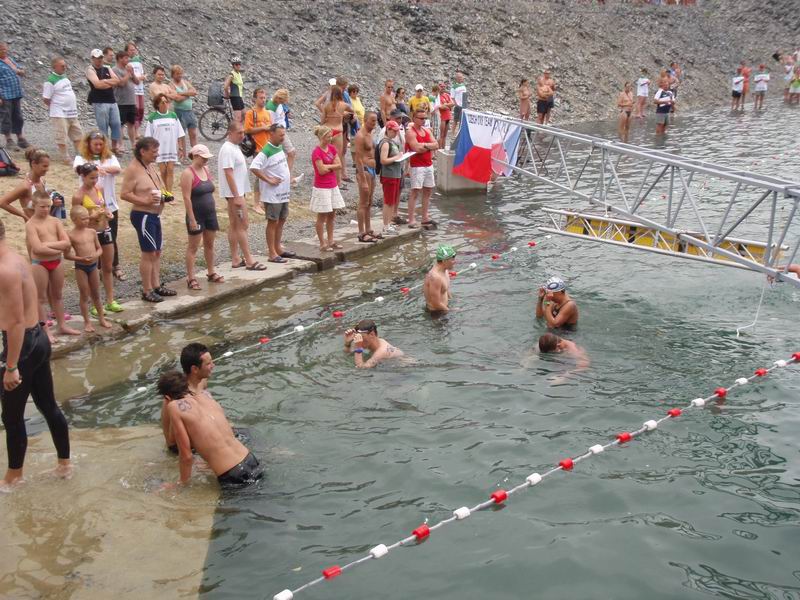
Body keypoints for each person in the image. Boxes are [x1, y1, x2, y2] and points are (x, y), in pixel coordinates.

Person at [0, 218, 72, 491]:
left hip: (22, 345)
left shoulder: (4, 270)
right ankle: (65, 465)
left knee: (11, 417)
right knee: (48, 405)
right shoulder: (17, 259)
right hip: (38, 338)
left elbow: (16, 322)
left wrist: (11, 366)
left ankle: (13, 477)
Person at [158, 370, 263, 488]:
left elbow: (186, 456)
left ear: (167, 397)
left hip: (232, 473)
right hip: (250, 459)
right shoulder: (205, 396)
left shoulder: (174, 407)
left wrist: (182, 483)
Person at [120, 136, 177, 303]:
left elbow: (156, 187)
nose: (157, 154)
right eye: (154, 152)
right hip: (143, 215)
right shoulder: (133, 169)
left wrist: (166, 196)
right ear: (142, 151)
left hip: (155, 215)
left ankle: (156, 285)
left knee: (157, 251)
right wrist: (144, 201)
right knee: (148, 253)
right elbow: (124, 194)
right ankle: (146, 290)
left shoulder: (149, 166)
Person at [25, 192, 80, 339]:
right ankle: (45, 331)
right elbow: (37, 249)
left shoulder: (55, 221)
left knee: (57, 295)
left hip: (57, 261)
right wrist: (58, 248)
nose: (46, 209)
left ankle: (62, 325)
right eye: (42, 207)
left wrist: (47, 245)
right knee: (40, 298)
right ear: (34, 206)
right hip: (40, 263)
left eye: (48, 206)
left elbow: (67, 242)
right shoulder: (30, 224)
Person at [74, 131, 125, 287]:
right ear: (88, 144)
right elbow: (78, 168)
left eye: (101, 144)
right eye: (95, 144)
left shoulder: (109, 157)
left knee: (111, 236)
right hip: (89, 205)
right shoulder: (81, 157)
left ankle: (114, 265)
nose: (98, 147)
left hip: (109, 203)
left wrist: (103, 169)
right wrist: (96, 168)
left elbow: (118, 169)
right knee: (92, 237)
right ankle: (96, 267)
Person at [72, 163, 119, 315]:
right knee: (94, 269)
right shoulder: (78, 196)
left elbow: (104, 206)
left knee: (108, 267)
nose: (94, 181)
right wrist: (91, 216)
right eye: (91, 178)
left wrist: (108, 213)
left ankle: (110, 300)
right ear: (83, 176)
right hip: (90, 233)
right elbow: (76, 218)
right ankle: (95, 303)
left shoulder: (99, 189)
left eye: (96, 177)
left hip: (105, 230)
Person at [218, 122, 265, 271]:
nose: (242, 135)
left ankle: (236, 258)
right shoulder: (227, 149)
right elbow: (228, 172)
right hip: (235, 194)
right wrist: (237, 195)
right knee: (242, 225)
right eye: (239, 133)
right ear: (230, 133)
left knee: (234, 225)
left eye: (243, 132)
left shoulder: (234, 147)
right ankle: (249, 259)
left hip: (236, 193)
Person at [180, 144, 223, 290]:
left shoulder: (206, 169)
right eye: (204, 158)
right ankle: (191, 277)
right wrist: (192, 219)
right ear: (196, 156)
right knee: (193, 247)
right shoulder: (188, 173)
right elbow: (186, 198)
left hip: (210, 213)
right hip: (196, 214)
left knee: (209, 244)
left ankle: (211, 272)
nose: (206, 160)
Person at [250, 124, 294, 263]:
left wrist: (289, 178)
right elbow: (254, 167)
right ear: (272, 134)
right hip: (272, 195)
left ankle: (278, 248)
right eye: (281, 135)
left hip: (283, 192)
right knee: (273, 222)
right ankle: (272, 253)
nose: (283, 138)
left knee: (282, 219)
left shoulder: (279, 147)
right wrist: (268, 180)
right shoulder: (266, 150)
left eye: (284, 134)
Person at [65, 206, 111, 332]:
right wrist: (80, 259)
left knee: (96, 293)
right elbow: (67, 255)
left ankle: (101, 318)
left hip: (93, 266)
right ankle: (87, 322)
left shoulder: (91, 232)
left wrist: (95, 255)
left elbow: (99, 249)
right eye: (83, 219)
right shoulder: (70, 235)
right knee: (84, 295)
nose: (86, 221)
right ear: (74, 219)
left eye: (87, 218)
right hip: (81, 267)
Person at [0, 148, 61, 222]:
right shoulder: (25, 186)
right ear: (33, 164)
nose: (47, 169)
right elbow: (2, 203)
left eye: (48, 166)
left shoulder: (43, 182)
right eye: (44, 166)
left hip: (47, 225)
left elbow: (43, 205)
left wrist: (53, 203)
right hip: (34, 226)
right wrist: (23, 216)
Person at [310, 125, 345, 252]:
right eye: (328, 137)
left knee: (332, 215)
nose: (330, 139)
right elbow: (321, 170)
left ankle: (331, 240)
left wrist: (328, 166)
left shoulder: (332, 148)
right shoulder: (317, 152)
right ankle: (322, 243)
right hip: (322, 187)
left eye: (331, 136)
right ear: (321, 137)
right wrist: (331, 166)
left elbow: (339, 165)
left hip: (332, 184)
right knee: (322, 216)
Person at [42, 55, 82, 163]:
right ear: (55, 67)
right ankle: (65, 157)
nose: (65, 67)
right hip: (59, 113)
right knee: (61, 135)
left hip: (71, 112)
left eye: (65, 65)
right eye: (62, 66)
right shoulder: (50, 81)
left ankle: (80, 154)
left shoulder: (65, 77)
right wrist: (56, 106)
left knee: (77, 134)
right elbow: (46, 98)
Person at [144, 93, 185, 194]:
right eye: (162, 102)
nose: (165, 104)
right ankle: (165, 190)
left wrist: (180, 147)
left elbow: (179, 133)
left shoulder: (173, 116)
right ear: (157, 104)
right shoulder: (152, 118)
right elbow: (148, 136)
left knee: (170, 169)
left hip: (171, 147)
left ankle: (169, 192)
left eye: (166, 102)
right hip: (159, 148)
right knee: (163, 171)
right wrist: (150, 150)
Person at [406, 109, 438, 229]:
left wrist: (424, 145)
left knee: (428, 190)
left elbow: (436, 144)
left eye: (425, 118)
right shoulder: (410, 132)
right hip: (417, 166)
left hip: (428, 164)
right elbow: (416, 148)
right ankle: (411, 219)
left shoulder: (427, 130)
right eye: (421, 118)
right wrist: (429, 146)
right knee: (415, 192)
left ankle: (425, 217)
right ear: (414, 118)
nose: (423, 120)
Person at [86, 49, 122, 155]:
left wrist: (104, 81)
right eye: (97, 58)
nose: (99, 60)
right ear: (92, 58)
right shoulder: (90, 70)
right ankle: (105, 149)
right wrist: (109, 82)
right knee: (103, 126)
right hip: (99, 101)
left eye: (101, 58)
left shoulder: (107, 68)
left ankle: (115, 147)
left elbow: (117, 81)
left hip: (111, 100)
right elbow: (97, 84)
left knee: (116, 124)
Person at [243, 87, 272, 215]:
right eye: (261, 98)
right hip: (257, 148)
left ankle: (263, 201)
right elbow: (247, 130)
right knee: (259, 175)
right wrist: (264, 128)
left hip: (267, 147)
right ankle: (256, 204)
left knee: (267, 173)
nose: (263, 100)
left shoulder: (267, 113)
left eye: (264, 98)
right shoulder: (251, 113)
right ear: (255, 99)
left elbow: (270, 129)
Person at [354, 111, 380, 243]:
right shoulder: (360, 136)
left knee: (369, 202)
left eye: (376, 120)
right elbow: (358, 158)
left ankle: (368, 229)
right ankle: (361, 232)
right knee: (363, 202)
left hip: (372, 170)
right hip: (364, 170)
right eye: (372, 121)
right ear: (365, 120)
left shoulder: (370, 134)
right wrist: (363, 179)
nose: (375, 123)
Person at [320, 86, 353, 185]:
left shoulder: (326, 106)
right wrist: (343, 115)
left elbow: (322, 121)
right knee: (336, 157)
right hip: (338, 131)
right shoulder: (344, 105)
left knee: (325, 156)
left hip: (328, 130)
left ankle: (325, 179)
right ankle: (338, 182)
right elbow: (352, 111)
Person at [377, 120, 405, 236]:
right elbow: (383, 160)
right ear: (388, 130)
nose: (396, 133)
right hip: (389, 175)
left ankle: (388, 223)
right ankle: (385, 225)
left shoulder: (391, 142)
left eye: (397, 131)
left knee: (392, 201)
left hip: (395, 174)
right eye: (394, 131)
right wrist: (396, 157)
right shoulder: (385, 143)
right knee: (388, 201)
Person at [0, 41, 28, 149]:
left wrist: (21, 71)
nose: (4, 51)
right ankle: (9, 140)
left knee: (18, 116)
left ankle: (20, 138)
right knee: (6, 117)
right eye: (2, 49)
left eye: (5, 49)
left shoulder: (10, 59)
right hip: (5, 94)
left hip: (15, 93)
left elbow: (20, 69)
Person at [266, 88, 297, 179]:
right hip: (278, 132)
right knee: (291, 152)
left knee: (283, 155)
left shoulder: (277, 104)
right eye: (282, 101)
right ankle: (287, 177)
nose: (283, 103)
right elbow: (271, 125)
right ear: (278, 98)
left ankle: (285, 175)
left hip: (281, 130)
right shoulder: (271, 108)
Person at [112, 51, 139, 152]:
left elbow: (137, 82)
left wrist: (132, 73)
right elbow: (121, 83)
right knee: (121, 124)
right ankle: (121, 144)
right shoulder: (115, 70)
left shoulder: (128, 70)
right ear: (119, 59)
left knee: (131, 123)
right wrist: (128, 74)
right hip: (121, 101)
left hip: (131, 101)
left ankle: (133, 144)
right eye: (126, 58)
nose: (128, 60)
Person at [169, 65, 198, 158]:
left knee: (193, 134)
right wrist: (188, 94)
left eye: (181, 73)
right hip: (179, 112)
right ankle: (183, 156)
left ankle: (195, 154)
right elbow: (177, 99)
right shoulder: (171, 85)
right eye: (177, 74)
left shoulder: (185, 82)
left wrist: (182, 93)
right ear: (173, 75)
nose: (180, 75)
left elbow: (194, 91)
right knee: (181, 135)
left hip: (189, 111)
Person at [423, 245, 456, 314]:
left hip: (445, 308)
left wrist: (452, 299)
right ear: (444, 261)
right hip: (437, 314)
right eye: (452, 259)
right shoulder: (435, 278)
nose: (455, 261)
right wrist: (452, 311)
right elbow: (435, 303)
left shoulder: (445, 270)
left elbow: (445, 289)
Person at [125, 42, 146, 129]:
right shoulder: (126, 62)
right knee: (135, 109)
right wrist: (140, 78)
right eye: (131, 50)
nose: (133, 51)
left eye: (134, 50)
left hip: (140, 89)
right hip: (132, 89)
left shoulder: (138, 61)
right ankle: (134, 130)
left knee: (141, 109)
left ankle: (137, 128)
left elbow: (142, 73)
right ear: (126, 51)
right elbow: (128, 76)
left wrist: (142, 77)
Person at [223, 57, 245, 124]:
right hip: (235, 97)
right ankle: (234, 129)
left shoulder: (239, 74)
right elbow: (225, 86)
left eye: (239, 64)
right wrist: (227, 94)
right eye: (236, 64)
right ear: (233, 65)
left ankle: (239, 128)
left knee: (244, 114)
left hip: (239, 97)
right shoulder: (231, 75)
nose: (238, 66)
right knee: (238, 118)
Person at [434, 82, 454, 149]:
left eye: (444, 87)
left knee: (445, 135)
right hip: (442, 117)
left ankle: (443, 148)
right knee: (441, 135)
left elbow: (452, 103)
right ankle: (440, 149)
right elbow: (442, 107)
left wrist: (446, 105)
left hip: (448, 117)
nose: (443, 88)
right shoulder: (437, 96)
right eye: (441, 87)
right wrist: (447, 105)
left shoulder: (447, 95)